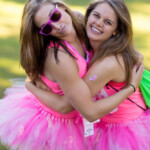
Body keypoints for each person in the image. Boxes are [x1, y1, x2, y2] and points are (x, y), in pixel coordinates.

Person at [0, 0, 143, 150]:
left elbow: (126, 44)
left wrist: (136, 56)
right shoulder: (60, 57)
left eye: (54, 16)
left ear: (61, 6)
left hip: (77, 112)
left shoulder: (81, 22)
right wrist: (130, 88)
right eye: (47, 27)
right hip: (54, 123)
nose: (56, 26)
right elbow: (66, 106)